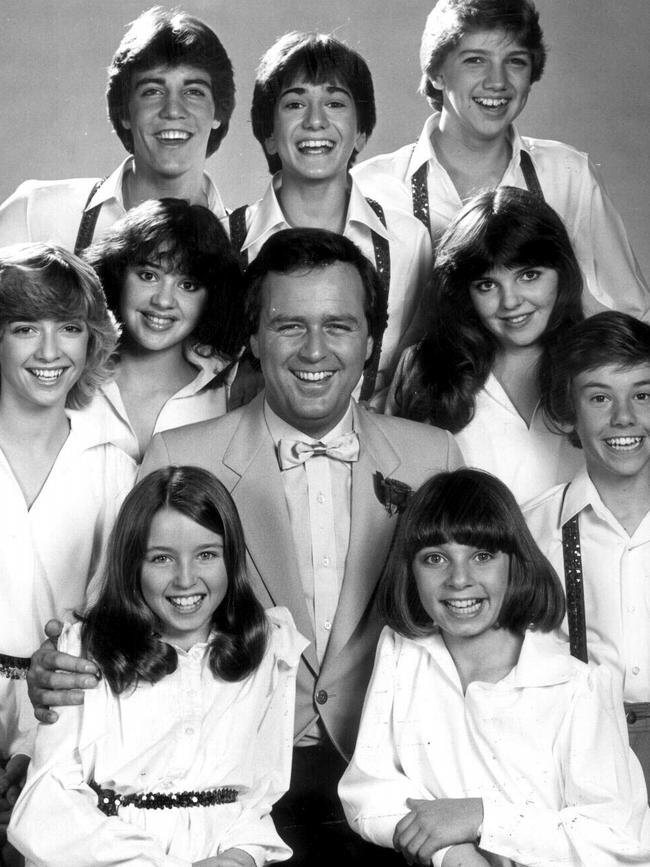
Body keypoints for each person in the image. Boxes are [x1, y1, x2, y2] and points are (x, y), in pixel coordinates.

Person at [29, 228, 463, 866]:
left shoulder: (434, 455)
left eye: (339, 325)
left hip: (397, 782)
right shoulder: (182, 455)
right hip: (233, 794)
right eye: (289, 326)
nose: (314, 349)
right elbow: (121, 614)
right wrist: (58, 672)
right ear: (254, 338)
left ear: (371, 341)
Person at [339, 468, 650, 867]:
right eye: (435, 559)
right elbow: (367, 788)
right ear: (410, 570)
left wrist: (482, 817)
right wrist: (451, 850)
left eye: (481, 556)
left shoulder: (578, 686)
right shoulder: (404, 652)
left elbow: (620, 839)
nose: (459, 579)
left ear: (515, 564)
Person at [9, 465, 306, 867]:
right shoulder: (86, 649)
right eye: (162, 558)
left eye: (206, 554)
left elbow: (259, 794)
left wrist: (239, 857)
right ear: (132, 564)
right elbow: (48, 801)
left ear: (231, 558)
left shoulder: (266, 645)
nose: (186, 579)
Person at [352, 0, 649, 320]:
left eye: (516, 61)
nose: (498, 81)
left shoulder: (567, 176)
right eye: (475, 60)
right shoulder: (370, 189)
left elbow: (631, 318)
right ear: (437, 72)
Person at [0, 243, 136, 854]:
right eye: (25, 328)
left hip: (67, 714)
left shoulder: (113, 461)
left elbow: (116, 619)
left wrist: (37, 748)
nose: (51, 352)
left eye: (70, 329)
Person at [226, 31, 432, 404]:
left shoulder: (407, 241)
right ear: (269, 135)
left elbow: (410, 376)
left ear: (361, 134)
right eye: (294, 104)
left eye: (335, 103)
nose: (315, 121)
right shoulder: (227, 238)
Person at [387, 186, 584, 503]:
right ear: (463, 291)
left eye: (529, 275)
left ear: (562, 272)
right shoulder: (425, 367)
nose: (510, 301)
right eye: (487, 284)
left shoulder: (598, 364)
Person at [524, 312, 650, 795]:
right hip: (576, 762)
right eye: (600, 397)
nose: (624, 417)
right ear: (568, 409)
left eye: (642, 394)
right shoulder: (532, 533)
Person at [0, 7, 235, 254]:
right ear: (124, 112)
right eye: (152, 91)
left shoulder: (247, 241)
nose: (173, 110)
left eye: (194, 92)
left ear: (218, 112)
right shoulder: (34, 213)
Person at [74, 198, 244, 462]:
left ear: (211, 297)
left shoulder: (229, 393)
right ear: (118, 274)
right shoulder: (70, 373)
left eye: (188, 285)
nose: (163, 301)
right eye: (148, 276)